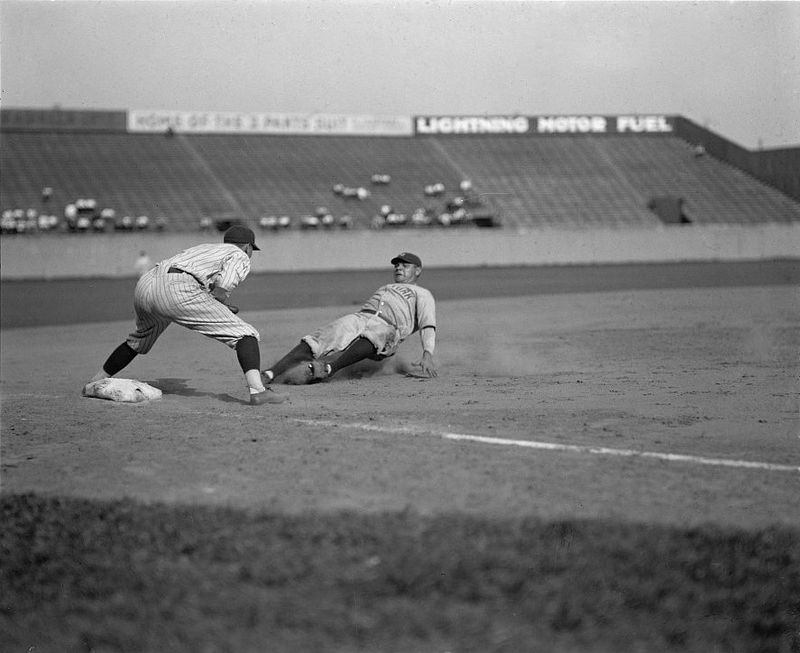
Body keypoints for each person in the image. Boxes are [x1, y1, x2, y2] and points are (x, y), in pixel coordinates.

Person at [85, 226, 286, 405]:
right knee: (245, 334)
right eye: (252, 250)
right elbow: (224, 285)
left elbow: (208, 287)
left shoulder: (206, 248)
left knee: (139, 340)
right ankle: (258, 391)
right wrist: (221, 302)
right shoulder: (239, 254)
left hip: (146, 285)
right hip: (178, 289)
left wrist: (215, 300)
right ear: (248, 247)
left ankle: (95, 381)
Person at [263, 252, 437, 384]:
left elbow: (428, 324)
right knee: (321, 337)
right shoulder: (386, 287)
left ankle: (330, 369)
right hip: (362, 317)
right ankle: (271, 373)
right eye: (396, 265)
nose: (398, 267)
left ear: (418, 270)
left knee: (378, 333)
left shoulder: (423, 293)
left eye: (405, 265)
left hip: (390, 328)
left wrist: (427, 353)